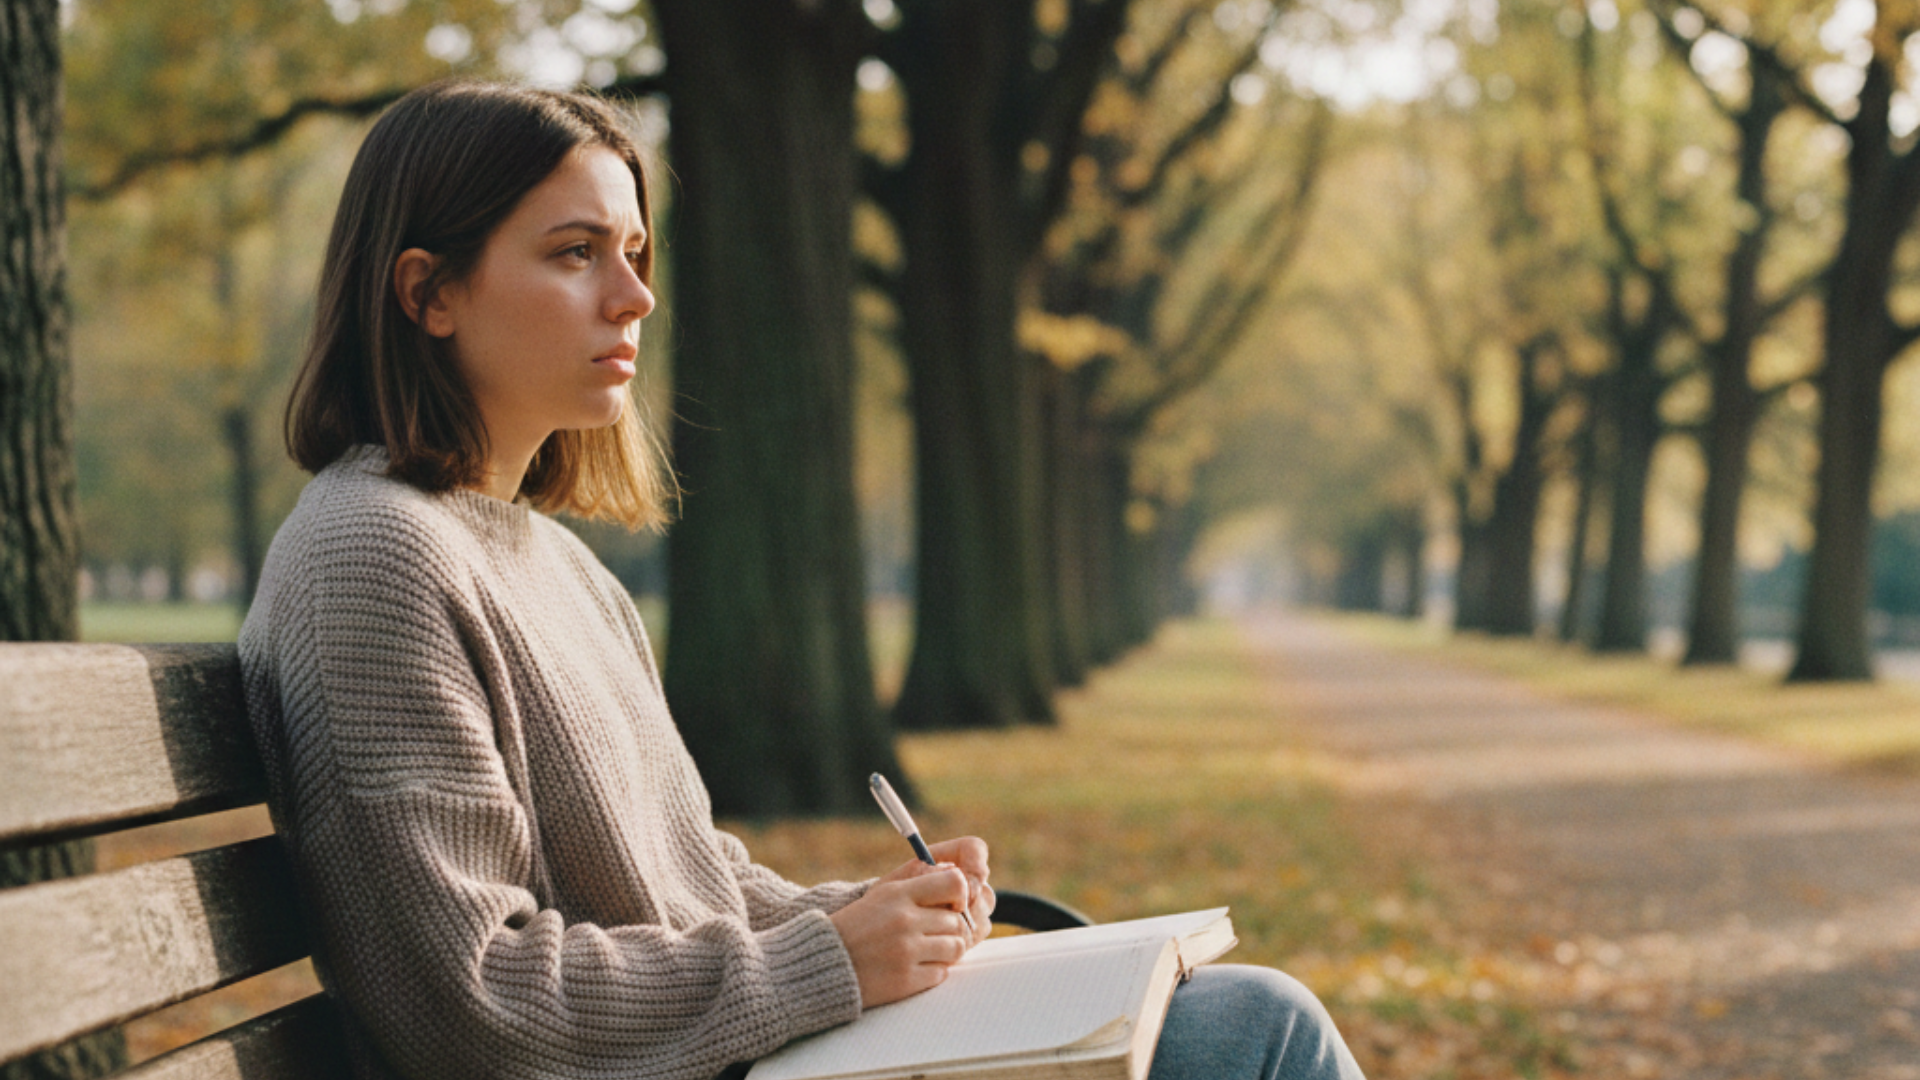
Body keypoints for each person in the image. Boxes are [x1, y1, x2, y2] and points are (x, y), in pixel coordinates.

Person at [239, 79, 1364, 1080]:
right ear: (428, 293)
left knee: (1236, 1015)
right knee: (1257, 1031)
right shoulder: (372, 558)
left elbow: (691, 887)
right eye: (574, 253)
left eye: (635, 254)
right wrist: (827, 963)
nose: (633, 299)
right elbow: (472, 1000)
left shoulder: (557, 567)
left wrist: (877, 919)